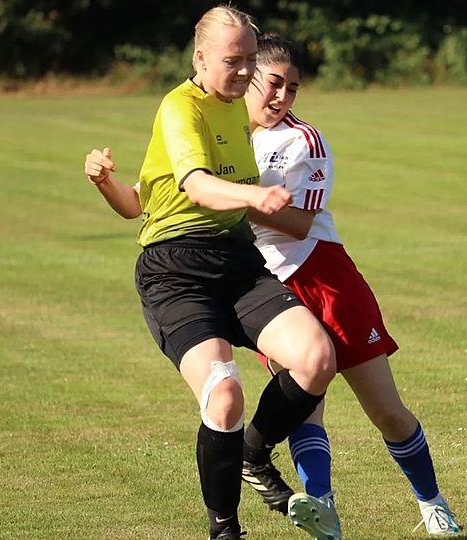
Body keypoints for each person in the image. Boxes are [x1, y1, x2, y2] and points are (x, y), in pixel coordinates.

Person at [83, 8, 336, 540]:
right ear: (199, 58)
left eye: (250, 60)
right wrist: (255, 195)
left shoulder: (239, 105)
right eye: (233, 60)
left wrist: (111, 185)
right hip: (175, 270)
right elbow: (193, 187)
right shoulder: (179, 108)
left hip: (238, 261)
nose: (245, 71)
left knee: (316, 358)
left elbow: (139, 200)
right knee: (224, 395)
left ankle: (252, 452)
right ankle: (225, 530)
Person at [241, 33, 462, 539]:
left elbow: (298, 225)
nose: (281, 96)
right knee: (305, 406)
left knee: (385, 409)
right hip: (270, 290)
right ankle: (322, 508)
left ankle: (432, 502)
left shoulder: (303, 141)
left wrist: (225, 198)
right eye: (273, 83)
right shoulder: (224, 133)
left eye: (292, 88)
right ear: (248, 77)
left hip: (325, 278)